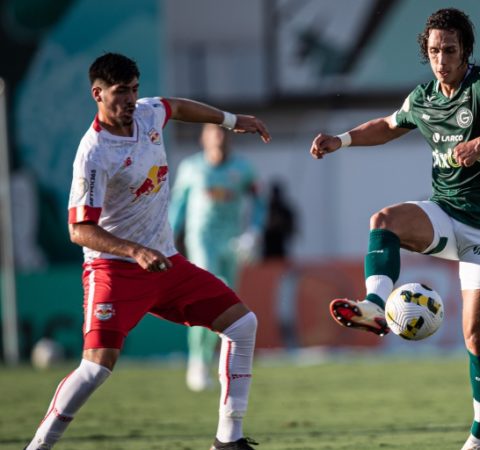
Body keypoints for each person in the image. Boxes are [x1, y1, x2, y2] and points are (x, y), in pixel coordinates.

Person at [309, 9, 480, 450]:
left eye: (450, 51)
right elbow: (386, 125)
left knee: (478, 338)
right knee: (384, 221)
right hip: (444, 213)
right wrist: (339, 140)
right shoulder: (423, 98)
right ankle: (376, 306)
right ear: (427, 52)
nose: (442, 59)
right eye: (435, 51)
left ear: (466, 51)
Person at [24, 53, 270, 450]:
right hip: (114, 271)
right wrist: (133, 250)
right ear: (98, 94)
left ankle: (229, 439)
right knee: (96, 368)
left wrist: (229, 119)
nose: (131, 100)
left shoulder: (148, 115)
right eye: (122, 93)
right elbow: (78, 229)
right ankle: (37, 446)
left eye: (135, 90)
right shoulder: (94, 153)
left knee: (243, 326)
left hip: (165, 263)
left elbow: (177, 105)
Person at [170, 123, 266, 392]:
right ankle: (197, 362)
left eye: (224, 132)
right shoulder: (191, 167)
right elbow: (177, 205)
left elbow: (260, 201)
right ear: (204, 137)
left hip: (231, 240)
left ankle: (217, 361)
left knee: (227, 302)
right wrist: (167, 237)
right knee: (207, 295)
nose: (220, 137)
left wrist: (254, 233)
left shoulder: (243, 168)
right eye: (214, 132)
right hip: (202, 239)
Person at [261, 180, 297, 260]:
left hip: (280, 247)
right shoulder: (266, 209)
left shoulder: (285, 210)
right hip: (267, 249)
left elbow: (291, 229)